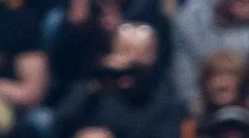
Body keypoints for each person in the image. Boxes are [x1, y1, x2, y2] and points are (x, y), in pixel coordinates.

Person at [50, 20, 185, 138]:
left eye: (140, 55)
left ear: (153, 59)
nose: (130, 61)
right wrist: (95, 87)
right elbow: (59, 127)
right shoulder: (94, 89)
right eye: (125, 51)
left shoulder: (165, 100)